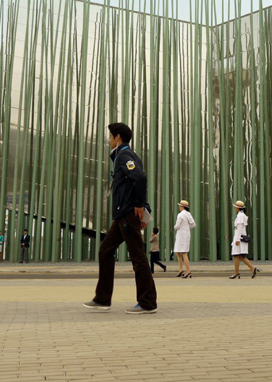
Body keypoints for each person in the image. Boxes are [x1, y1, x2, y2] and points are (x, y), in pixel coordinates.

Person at [83, 123, 157, 314]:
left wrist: (140, 205)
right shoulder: (125, 156)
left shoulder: (124, 155)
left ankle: (147, 302)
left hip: (127, 214)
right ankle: (102, 299)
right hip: (122, 215)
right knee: (105, 251)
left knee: (138, 257)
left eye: (110, 137)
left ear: (117, 137)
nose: (109, 141)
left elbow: (139, 177)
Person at [230, 200, 259, 279]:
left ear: (237, 208)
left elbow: (239, 228)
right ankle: (252, 269)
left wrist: (237, 239)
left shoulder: (240, 216)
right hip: (240, 237)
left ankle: (237, 272)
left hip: (239, 237)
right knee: (240, 256)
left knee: (237, 255)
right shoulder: (242, 215)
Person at [173, 200, 196, 278]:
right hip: (186, 234)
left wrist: (176, 227)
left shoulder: (180, 215)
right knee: (178, 251)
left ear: (182, 207)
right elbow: (193, 224)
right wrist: (187, 228)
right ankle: (181, 269)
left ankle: (188, 271)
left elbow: (177, 226)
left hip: (181, 235)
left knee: (183, 253)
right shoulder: (188, 214)